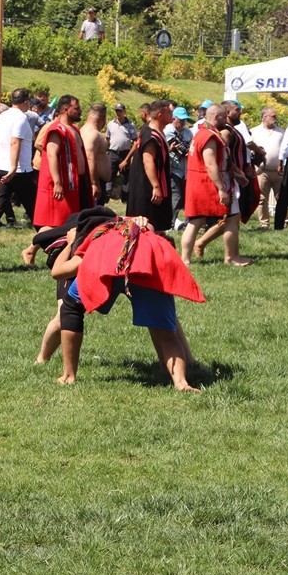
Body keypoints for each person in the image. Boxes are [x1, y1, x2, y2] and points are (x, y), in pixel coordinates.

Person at [48, 210, 201, 391]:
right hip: (146, 264)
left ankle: (68, 376)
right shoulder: (138, 225)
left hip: (109, 261)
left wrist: (71, 244)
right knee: (165, 331)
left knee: (71, 307)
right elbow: (148, 230)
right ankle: (181, 383)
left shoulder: (96, 236)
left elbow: (57, 272)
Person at [181, 103, 250, 266]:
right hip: (207, 184)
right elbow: (211, 164)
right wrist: (221, 189)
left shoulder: (201, 133)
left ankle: (185, 259)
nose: (226, 120)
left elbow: (222, 160)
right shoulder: (209, 136)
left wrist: (238, 174)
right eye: (224, 117)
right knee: (232, 218)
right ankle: (231, 257)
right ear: (216, 117)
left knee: (195, 221)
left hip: (198, 182)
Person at [34, 95, 93, 229]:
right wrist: (57, 182)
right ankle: (31, 249)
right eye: (77, 108)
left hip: (79, 181)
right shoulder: (56, 130)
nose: (80, 111)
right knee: (59, 222)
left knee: (79, 220)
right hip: (64, 183)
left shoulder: (75, 129)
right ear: (66, 109)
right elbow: (51, 155)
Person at [125, 99, 173, 232]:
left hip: (155, 184)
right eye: (169, 113)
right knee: (147, 225)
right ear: (160, 115)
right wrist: (156, 186)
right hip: (147, 188)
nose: (172, 116)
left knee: (158, 224)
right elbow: (148, 161)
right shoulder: (151, 135)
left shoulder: (155, 131)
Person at [0, 87, 36, 228]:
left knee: (0, 204)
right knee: (32, 205)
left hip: (1, 165)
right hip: (19, 170)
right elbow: (15, 141)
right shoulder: (21, 118)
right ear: (26, 102)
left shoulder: (2, 116)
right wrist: (13, 168)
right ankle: (44, 232)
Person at [250, 107, 284, 229]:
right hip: (261, 171)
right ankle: (264, 224)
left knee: (281, 197)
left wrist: (282, 164)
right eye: (273, 116)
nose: (276, 118)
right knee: (261, 199)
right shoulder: (254, 131)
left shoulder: (281, 132)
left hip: (278, 171)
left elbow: (285, 149)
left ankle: (283, 222)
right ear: (265, 118)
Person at [164, 106, 193, 229]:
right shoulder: (167, 131)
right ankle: (170, 223)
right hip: (173, 168)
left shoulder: (188, 132)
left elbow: (189, 148)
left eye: (184, 120)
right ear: (173, 119)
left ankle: (188, 223)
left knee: (187, 197)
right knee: (176, 196)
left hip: (185, 169)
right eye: (180, 120)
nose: (182, 123)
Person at [106, 102, 137, 202]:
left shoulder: (130, 125)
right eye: (117, 111)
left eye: (120, 111)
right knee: (110, 176)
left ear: (124, 111)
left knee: (126, 178)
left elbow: (135, 141)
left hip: (125, 154)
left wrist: (128, 158)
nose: (118, 113)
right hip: (113, 153)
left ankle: (125, 199)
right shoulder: (111, 124)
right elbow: (107, 138)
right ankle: (106, 197)